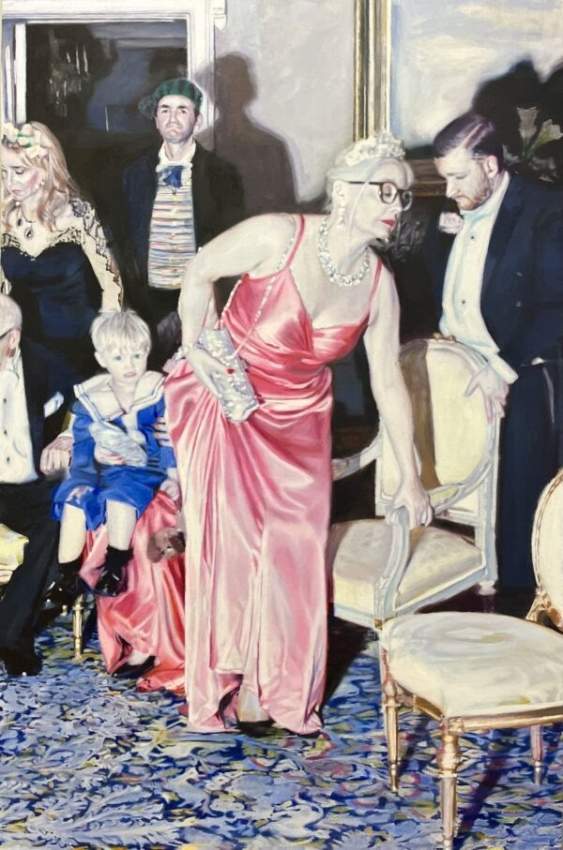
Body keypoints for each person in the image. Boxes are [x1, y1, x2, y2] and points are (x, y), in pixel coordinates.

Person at [164, 132, 431, 734]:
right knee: (238, 549)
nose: (395, 205)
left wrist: (411, 477)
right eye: (384, 189)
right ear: (344, 190)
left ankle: (278, 687)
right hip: (231, 406)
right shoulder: (278, 235)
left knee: (295, 553)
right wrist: (196, 346)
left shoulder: (378, 283)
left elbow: (388, 382)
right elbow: (200, 268)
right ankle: (235, 680)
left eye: (403, 195)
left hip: (303, 421)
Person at [424, 111, 563, 595]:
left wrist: (501, 368)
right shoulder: (457, 208)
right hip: (461, 370)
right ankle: (471, 580)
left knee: (520, 497)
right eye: (445, 178)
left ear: (489, 165)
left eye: (458, 177)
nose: (449, 191)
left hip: (523, 371)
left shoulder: (546, 210)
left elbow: (556, 308)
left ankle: (521, 606)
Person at [50, 310, 178, 603]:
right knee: (74, 500)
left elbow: (167, 439)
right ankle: (67, 576)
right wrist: (94, 452)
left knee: (120, 497)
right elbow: (81, 437)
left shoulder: (156, 392)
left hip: (139, 467)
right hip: (95, 469)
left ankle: (115, 566)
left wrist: (171, 474)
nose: (129, 365)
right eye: (119, 358)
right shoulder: (93, 397)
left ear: (147, 352)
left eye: (136, 355)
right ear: (102, 360)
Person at [121, 78, 245, 364]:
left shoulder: (221, 174)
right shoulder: (134, 173)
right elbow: (126, 237)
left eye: (182, 110)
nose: (172, 118)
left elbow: (232, 240)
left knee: (197, 369)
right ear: (156, 120)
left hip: (201, 294)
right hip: (149, 298)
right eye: (164, 110)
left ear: (197, 120)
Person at [1, 121, 123, 389]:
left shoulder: (77, 215)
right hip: (23, 349)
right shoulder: (4, 220)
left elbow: (112, 283)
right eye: (4, 172)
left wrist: (108, 339)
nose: (10, 182)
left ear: (44, 168)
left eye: (19, 171)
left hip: (79, 348)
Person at [0, 294, 71, 676]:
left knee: (60, 517)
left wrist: (67, 438)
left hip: (30, 487)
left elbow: (88, 400)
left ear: (12, 339)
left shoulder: (45, 364)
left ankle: (10, 636)